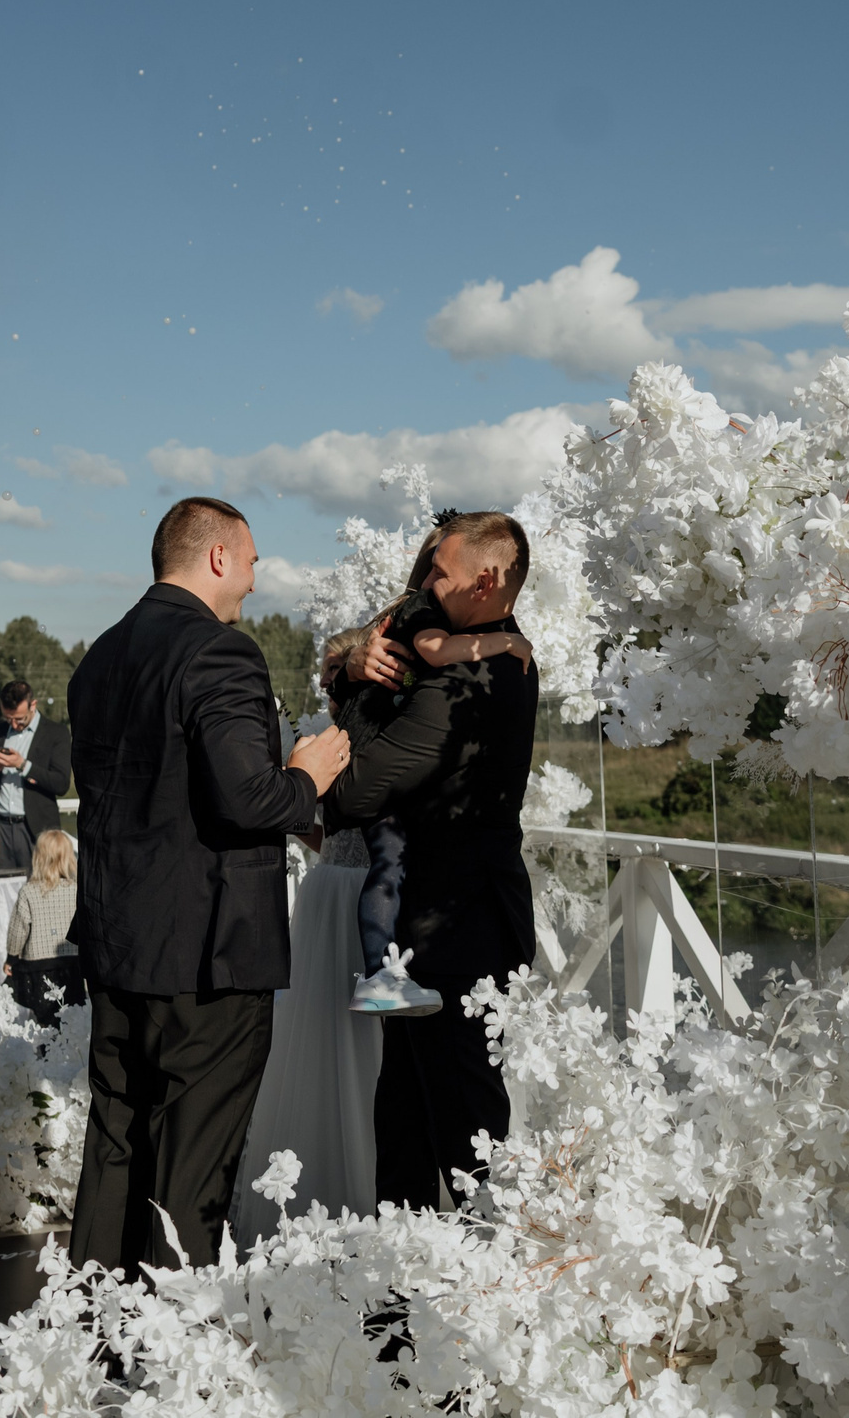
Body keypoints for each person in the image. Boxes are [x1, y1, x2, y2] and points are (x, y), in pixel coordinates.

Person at [65, 497, 350, 1274]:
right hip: (208, 959)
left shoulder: (101, 656)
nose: (254, 583)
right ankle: (173, 1353)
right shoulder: (220, 652)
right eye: (252, 562)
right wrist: (307, 775)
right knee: (192, 1168)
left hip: (120, 947)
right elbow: (248, 799)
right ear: (218, 556)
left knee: (117, 1147)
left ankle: (94, 1337)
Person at [325, 513, 542, 1211]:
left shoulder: (466, 682)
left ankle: (478, 1289)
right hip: (439, 932)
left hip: (458, 933)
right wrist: (352, 662)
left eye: (440, 571)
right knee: (413, 1125)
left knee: (460, 1135)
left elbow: (357, 790)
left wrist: (352, 701)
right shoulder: (489, 657)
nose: (426, 581)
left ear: (485, 580)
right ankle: (404, 1295)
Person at [230, 631, 385, 1235]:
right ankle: (326, 1185)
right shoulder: (321, 734)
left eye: (333, 668)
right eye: (323, 669)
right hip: (332, 891)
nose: (325, 680)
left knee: (363, 1040)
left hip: (360, 895)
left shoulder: (356, 731)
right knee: (322, 1035)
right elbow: (321, 829)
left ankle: (366, 1180)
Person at [338, 572, 533, 1017]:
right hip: (450, 925)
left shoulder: (408, 617)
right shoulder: (423, 612)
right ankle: (380, 975)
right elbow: (436, 650)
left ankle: (382, 974)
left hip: (455, 919)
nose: (442, 579)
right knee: (387, 862)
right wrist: (503, 641)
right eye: (441, 569)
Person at [0, 681, 69, 876]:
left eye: (20, 719)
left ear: (33, 705)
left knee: (41, 891)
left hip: (36, 831)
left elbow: (61, 783)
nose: (14, 725)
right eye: (8, 719)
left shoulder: (56, 733)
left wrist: (22, 765)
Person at [4, 829, 84, 1026]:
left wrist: (11, 958)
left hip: (37, 968)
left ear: (38, 857)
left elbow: (18, 930)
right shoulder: (77, 890)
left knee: (44, 1022)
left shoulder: (28, 892)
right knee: (72, 1020)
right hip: (72, 964)